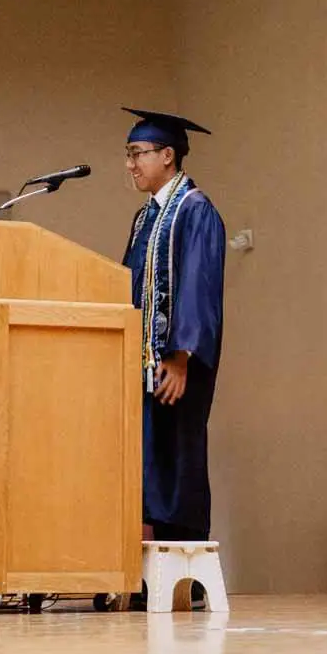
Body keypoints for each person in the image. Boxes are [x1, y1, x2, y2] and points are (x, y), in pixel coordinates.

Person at [120, 107, 227, 544]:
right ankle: (149, 576)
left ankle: (183, 579)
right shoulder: (147, 216)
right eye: (127, 154)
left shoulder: (195, 210)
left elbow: (199, 288)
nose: (129, 164)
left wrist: (181, 356)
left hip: (175, 365)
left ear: (167, 155)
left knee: (175, 462)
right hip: (145, 363)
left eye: (137, 153)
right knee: (148, 465)